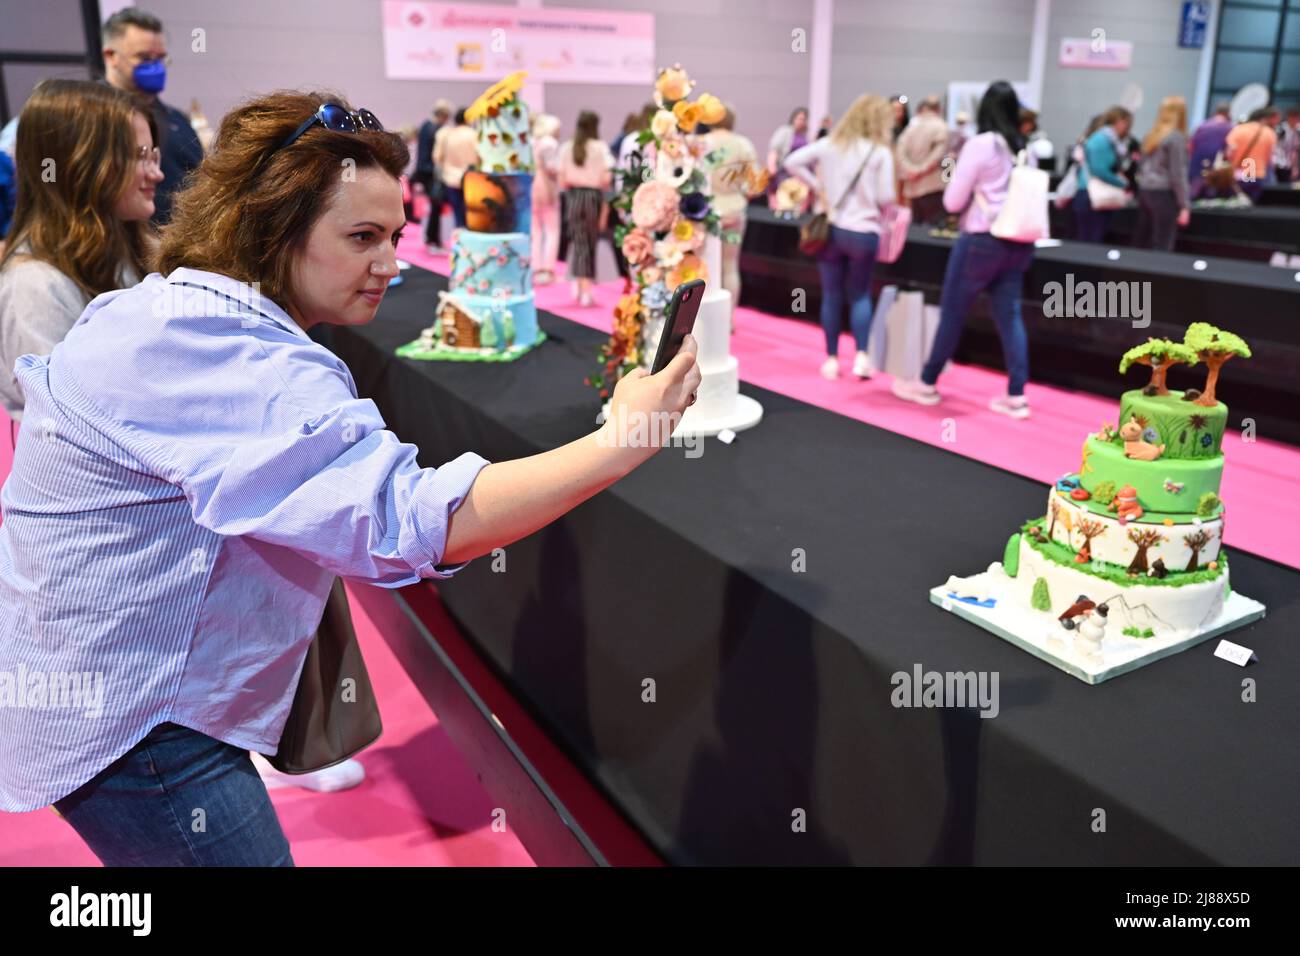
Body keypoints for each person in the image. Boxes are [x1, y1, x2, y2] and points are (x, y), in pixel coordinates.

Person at [0, 90, 701, 865]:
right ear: (271, 227)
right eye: (363, 237)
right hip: (139, 727)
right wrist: (620, 442)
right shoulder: (228, 350)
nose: (391, 265)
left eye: (395, 237)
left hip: (121, 695)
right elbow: (407, 523)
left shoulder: (185, 313)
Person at [0, 80, 160, 424]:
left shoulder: (139, 249)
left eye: (153, 155)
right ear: (79, 165)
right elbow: (70, 421)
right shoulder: (36, 286)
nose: (156, 173)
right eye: (139, 157)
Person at [893, 81, 1036, 419]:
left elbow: (953, 200)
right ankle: (1016, 394)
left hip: (982, 240)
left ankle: (927, 383)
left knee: (954, 311)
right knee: (1010, 315)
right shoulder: (1021, 146)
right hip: (1018, 241)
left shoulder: (981, 144)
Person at [784, 94, 897, 380]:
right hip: (864, 231)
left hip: (831, 229)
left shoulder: (829, 145)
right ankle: (861, 356)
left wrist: (818, 186)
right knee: (860, 294)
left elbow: (792, 161)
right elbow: (886, 197)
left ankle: (832, 359)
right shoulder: (879, 153)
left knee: (832, 295)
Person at [99, 7, 203, 224]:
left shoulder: (177, 121)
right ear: (111, 56)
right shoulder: (89, 119)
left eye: (160, 58)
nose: (155, 67)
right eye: (144, 58)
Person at [699, 105, 759, 331]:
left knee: (704, 266)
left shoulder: (702, 142)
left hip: (705, 212)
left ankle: (705, 319)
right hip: (734, 210)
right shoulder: (743, 145)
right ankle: (728, 319)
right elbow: (753, 186)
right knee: (730, 266)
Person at [558, 110, 613, 306]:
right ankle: (586, 288)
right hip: (592, 197)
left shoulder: (567, 148)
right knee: (589, 243)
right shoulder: (600, 148)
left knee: (578, 241)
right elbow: (607, 179)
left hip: (573, 197)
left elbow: (562, 179)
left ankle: (580, 285)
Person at [1133, 95, 1190, 251]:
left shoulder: (1151, 135)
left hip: (1145, 192)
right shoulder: (1176, 138)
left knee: (1143, 240)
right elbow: (1178, 174)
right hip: (1164, 194)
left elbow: (1141, 166)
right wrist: (1184, 205)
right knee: (1162, 243)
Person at [1071, 105, 1131, 243]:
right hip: (1091, 196)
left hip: (1091, 195)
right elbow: (1099, 170)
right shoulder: (1102, 139)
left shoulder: (1108, 140)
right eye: (1126, 123)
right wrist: (1122, 183)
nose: (1127, 128)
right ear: (1117, 121)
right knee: (1090, 243)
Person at [895, 95, 950, 225]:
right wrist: (920, 171)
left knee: (915, 229)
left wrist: (911, 171)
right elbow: (939, 156)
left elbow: (900, 153)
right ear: (938, 109)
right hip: (932, 187)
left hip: (912, 187)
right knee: (933, 229)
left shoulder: (910, 128)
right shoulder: (941, 126)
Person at [412, 98, 452, 252]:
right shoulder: (433, 128)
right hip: (430, 173)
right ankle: (434, 240)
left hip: (427, 171)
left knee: (436, 207)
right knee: (436, 206)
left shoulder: (428, 127)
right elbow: (427, 154)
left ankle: (432, 239)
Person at [530, 113, 562, 284]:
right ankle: (548, 268)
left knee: (535, 228)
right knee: (551, 229)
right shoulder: (550, 143)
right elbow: (552, 168)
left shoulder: (532, 142)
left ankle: (536, 267)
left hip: (532, 183)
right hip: (546, 186)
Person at [433, 108, 477, 229]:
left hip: (451, 178)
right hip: (471, 179)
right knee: (471, 216)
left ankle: (458, 243)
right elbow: (481, 157)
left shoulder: (447, 135)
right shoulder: (474, 135)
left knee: (457, 216)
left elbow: (437, 157)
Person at [1226, 106, 1280, 201]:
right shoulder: (1269, 133)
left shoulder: (1238, 129)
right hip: (1257, 174)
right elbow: (1270, 160)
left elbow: (1230, 153)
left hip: (1237, 175)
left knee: (1234, 205)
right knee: (1252, 208)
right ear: (1263, 119)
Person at [1188, 101, 1234, 200]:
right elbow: (1229, 152)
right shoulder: (1229, 127)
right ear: (1228, 113)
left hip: (1196, 167)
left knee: (1193, 197)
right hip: (1215, 171)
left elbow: (1190, 146)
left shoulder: (1202, 126)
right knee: (1210, 199)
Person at [766, 107, 810, 204]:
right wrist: (772, 167)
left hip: (798, 178)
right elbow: (774, 150)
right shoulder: (784, 132)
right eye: (800, 118)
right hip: (783, 174)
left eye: (804, 119)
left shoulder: (805, 137)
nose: (801, 121)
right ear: (793, 119)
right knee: (781, 204)